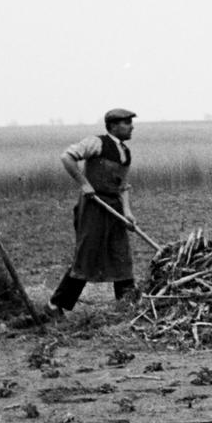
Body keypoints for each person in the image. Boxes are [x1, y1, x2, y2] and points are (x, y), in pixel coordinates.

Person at [47, 109, 139, 316]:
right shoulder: (96, 143)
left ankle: (127, 307)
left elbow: (123, 186)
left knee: (121, 254)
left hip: (114, 207)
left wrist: (127, 212)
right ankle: (55, 305)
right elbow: (67, 157)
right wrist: (84, 184)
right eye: (126, 123)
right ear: (113, 126)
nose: (131, 126)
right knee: (87, 255)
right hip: (93, 207)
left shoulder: (126, 152)